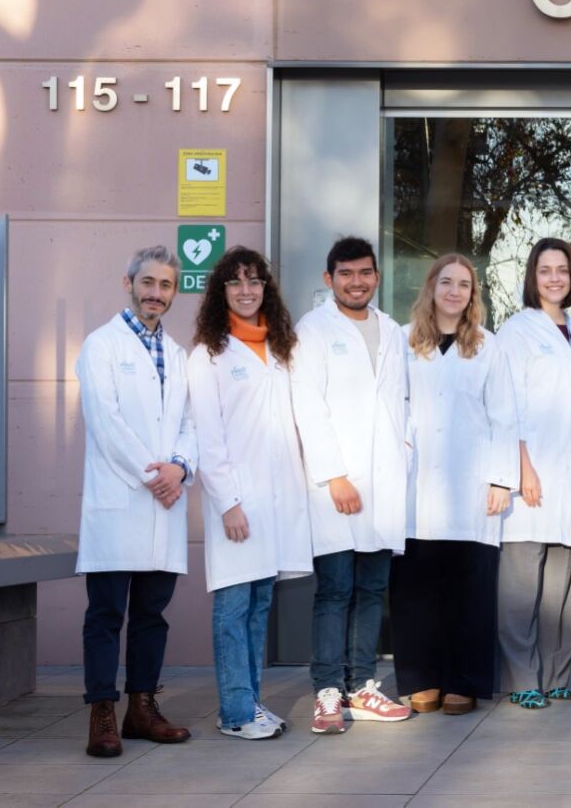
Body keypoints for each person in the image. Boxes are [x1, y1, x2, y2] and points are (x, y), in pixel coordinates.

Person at [187, 246, 314, 740]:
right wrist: (229, 502)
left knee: (260, 603)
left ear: (266, 288)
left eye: (255, 281)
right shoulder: (210, 354)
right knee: (233, 607)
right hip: (238, 504)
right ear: (222, 291)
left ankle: (249, 704)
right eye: (236, 282)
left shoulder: (280, 349)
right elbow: (208, 435)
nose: (246, 290)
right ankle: (237, 712)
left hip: (278, 501)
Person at [75, 245, 197, 758]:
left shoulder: (180, 354)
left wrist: (181, 468)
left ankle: (141, 707)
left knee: (152, 614)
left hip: (164, 502)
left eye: (166, 285)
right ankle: (102, 711)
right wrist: (155, 475)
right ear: (128, 283)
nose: (156, 293)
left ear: (175, 291)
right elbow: (105, 423)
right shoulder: (100, 345)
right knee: (106, 613)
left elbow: (192, 423)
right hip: (122, 499)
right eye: (148, 283)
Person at [291, 236, 413, 733]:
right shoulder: (314, 330)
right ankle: (326, 692)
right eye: (346, 274)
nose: (356, 282)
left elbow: (402, 403)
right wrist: (334, 475)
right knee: (335, 590)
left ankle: (362, 687)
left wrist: (404, 454)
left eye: (365, 273)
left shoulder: (392, 331)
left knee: (372, 589)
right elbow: (308, 405)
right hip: (337, 484)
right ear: (329, 279)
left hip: (384, 483)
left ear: (377, 277)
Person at [392, 254, 518, 716]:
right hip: (417, 486)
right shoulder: (404, 342)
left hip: (472, 486)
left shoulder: (487, 345)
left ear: (472, 295)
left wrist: (503, 480)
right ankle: (423, 679)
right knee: (418, 591)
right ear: (432, 288)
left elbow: (505, 415)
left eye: (464, 284)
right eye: (446, 282)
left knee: (470, 590)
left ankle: (463, 680)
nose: (454, 291)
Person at [496, 238, 571, 709]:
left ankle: (556, 674)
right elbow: (506, 403)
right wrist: (522, 467)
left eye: (562, 270)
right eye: (545, 270)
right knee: (520, 585)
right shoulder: (516, 331)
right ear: (532, 277)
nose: (555, 277)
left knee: (560, 585)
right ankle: (521, 677)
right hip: (531, 472)